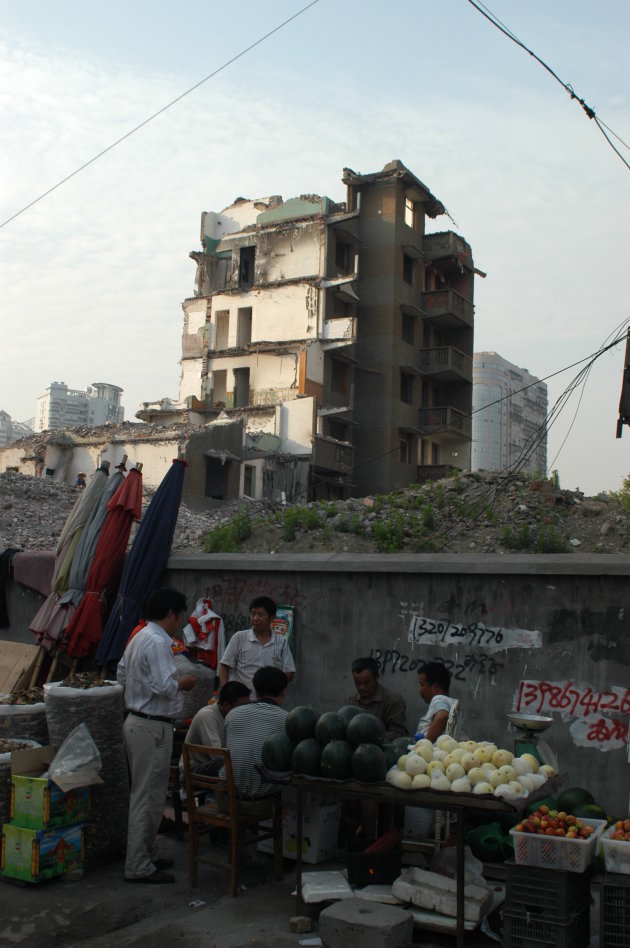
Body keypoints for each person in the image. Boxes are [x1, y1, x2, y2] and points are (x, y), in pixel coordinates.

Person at [117, 587, 197, 884]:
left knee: (146, 793)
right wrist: (185, 682)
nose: (180, 622)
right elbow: (166, 685)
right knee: (148, 796)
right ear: (170, 614)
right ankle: (138, 864)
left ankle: (146, 853)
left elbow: (122, 673)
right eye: (179, 616)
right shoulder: (159, 643)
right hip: (151, 725)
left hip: (138, 721)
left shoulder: (139, 636)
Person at [222, 665, 288, 816]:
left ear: (256, 692)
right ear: (283, 692)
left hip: (227, 802)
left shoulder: (232, 714)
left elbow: (225, 751)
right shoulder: (287, 720)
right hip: (263, 805)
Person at [218, 596, 295, 693]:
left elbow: (289, 672)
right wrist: (227, 691)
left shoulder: (281, 643)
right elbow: (224, 666)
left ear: (271, 617)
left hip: (269, 702)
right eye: (253, 614)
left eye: (260, 614)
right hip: (242, 701)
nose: (255, 618)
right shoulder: (239, 637)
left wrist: (274, 687)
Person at [180, 680, 250, 779]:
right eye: (242, 706)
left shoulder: (233, 717)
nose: (246, 710)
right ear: (226, 705)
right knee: (232, 764)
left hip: (216, 764)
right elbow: (218, 755)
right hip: (194, 768)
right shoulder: (207, 716)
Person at [348, 656, 408, 739]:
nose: (361, 687)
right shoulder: (353, 700)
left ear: (376, 678)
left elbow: (400, 734)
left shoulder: (393, 700)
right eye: (358, 683)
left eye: (366, 683)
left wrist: (374, 737)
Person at [415, 661, 455, 742]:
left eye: (422, 685)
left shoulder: (439, 698)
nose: (419, 690)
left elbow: (443, 716)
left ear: (436, 687)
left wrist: (425, 745)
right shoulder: (449, 702)